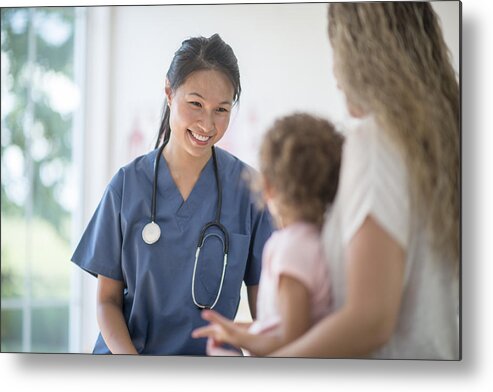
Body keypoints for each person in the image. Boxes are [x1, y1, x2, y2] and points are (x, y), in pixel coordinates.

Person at [271, 3, 460, 359]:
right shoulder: (444, 146)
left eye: (336, 51)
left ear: (359, 53)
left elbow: (369, 320)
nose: (335, 74)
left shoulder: (375, 140)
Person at [71, 34, 273, 355]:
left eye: (221, 109)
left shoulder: (250, 191)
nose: (207, 123)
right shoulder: (127, 185)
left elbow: (267, 313)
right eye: (195, 104)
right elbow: (107, 301)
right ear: (169, 92)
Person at [192, 113, 343, 356]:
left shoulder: (291, 250)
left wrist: (240, 342)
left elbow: (291, 342)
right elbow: (281, 325)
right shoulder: (321, 240)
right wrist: (236, 331)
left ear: (268, 187)